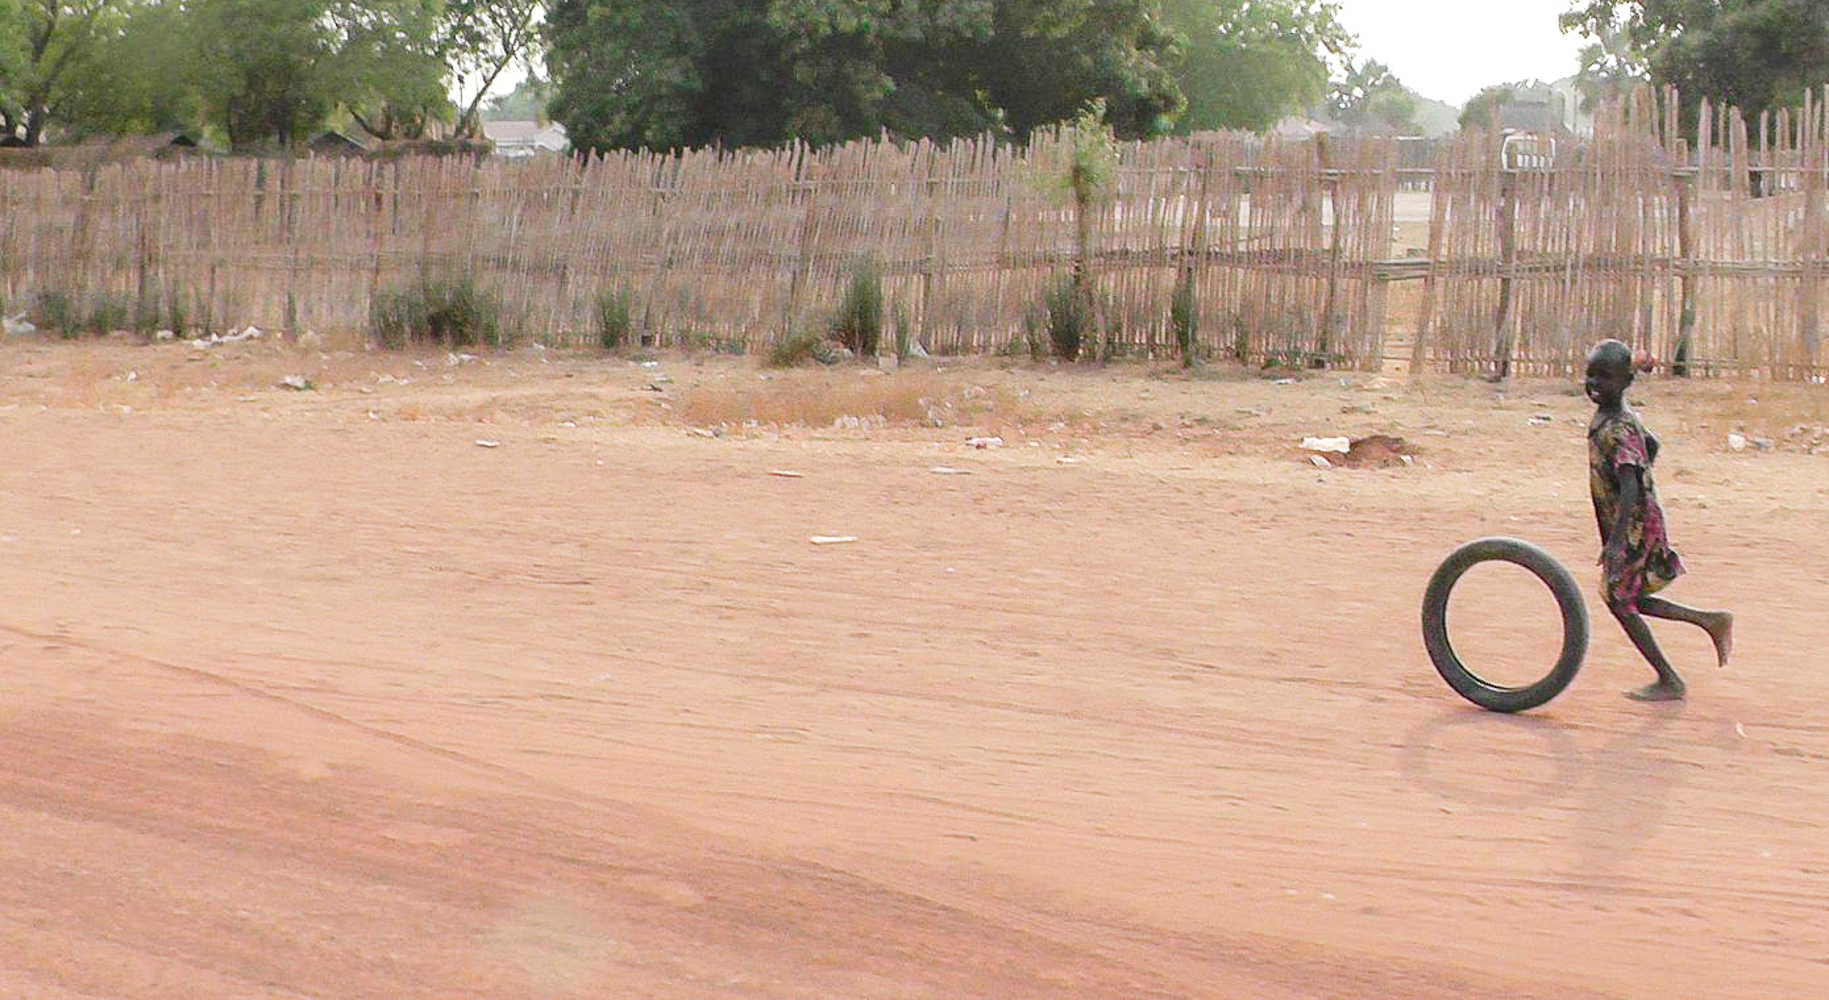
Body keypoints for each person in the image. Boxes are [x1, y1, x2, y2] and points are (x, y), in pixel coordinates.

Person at [1585, 339, 1733, 701]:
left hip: (1635, 523)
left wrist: (1617, 541)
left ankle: (1670, 679)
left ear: (1623, 383)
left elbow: (1630, 484)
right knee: (1627, 596)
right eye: (1590, 375)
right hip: (1635, 519)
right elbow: (1652, 445)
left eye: (1604, 377)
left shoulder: (1619, 428)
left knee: (1619, 600)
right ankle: (1710, 621)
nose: (1594, 383)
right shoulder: (1617, 413)